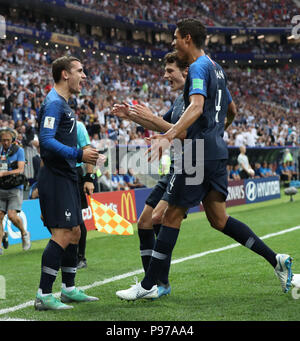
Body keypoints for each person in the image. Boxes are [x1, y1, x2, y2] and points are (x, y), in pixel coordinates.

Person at [115, 18, 293, 301]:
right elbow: (232, 109)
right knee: (219, 219)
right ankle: (277, 260)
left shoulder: (198, 67)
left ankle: (149, 284)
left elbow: (196, 106)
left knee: (170, 216)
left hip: (197, 154)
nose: (173, 42)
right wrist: (214, 133)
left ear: (187, 38)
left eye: (175, 37)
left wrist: (169, 135)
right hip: (215, 152)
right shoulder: (217, 68)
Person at [112, 51, 188, 299]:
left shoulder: (196, 101)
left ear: (185, 72)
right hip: (174, 168)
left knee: (157, 218)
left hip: (191, 167)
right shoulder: (179, 101)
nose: (165, 75)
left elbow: (184, 133)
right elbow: (160, 124)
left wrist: (164, 132)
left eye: (169, 71)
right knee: (144, 221)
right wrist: (132, 115)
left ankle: (153, 283)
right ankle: (155, 283)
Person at [34, 55, 100, 311]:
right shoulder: (53, 103)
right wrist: (79, 155)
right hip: (56, 176)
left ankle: (69, 289)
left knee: (75, 232)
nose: (84, 76)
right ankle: (43, 294)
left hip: (68, 176)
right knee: (62, 234)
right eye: (80, 71)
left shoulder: (63, 104)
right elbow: (46, 140)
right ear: (65, 74)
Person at [0, 128, 31, 255]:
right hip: (1, 188)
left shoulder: (19, 151)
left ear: (12, 140)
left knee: (12, 216)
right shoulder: (0, 150)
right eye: (3, 140)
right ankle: (0, 247)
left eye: (7, 140)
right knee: (0, 216)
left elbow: (20, 169)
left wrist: (4, 173)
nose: (5, 142)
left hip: (14, 188)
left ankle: (24, 233)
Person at [76, 120, 96, 270]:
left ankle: (80, 257)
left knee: (77, 218)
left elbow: (89, 150)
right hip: (54, 175)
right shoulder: (50, 126)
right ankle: (67, 252)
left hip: (74, 174)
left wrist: (89, 178)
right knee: (46, 217)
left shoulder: (78, 126)